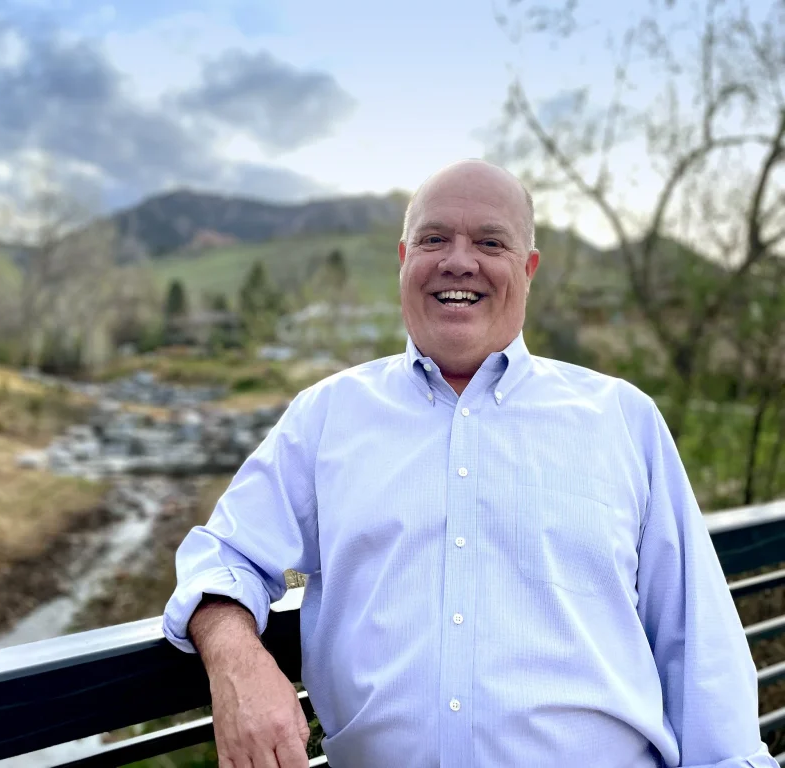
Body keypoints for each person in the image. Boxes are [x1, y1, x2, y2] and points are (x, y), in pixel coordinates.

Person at [161, 159, 776, 767]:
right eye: (434, 239)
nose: (459, 260)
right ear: (405, 260)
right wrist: (237, 659)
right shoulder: (326, 418)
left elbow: (696, 641)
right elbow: (225, 553)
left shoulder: (623, 419)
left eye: (490, 241)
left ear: (528, 269)